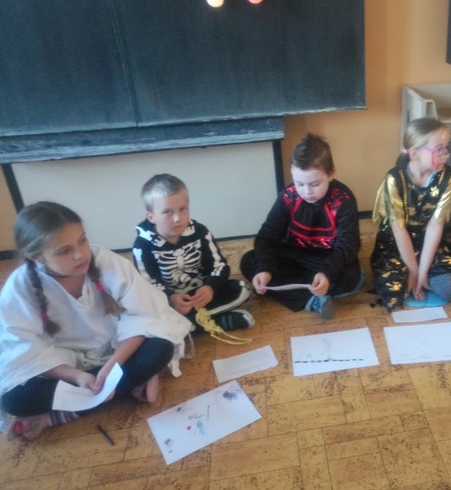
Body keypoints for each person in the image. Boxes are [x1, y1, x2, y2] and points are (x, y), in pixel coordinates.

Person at [0, 202, 190, 441]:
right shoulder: (19, 287)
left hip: (119, 348)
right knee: (14, 400)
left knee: (160, 349)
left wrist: (112, 365)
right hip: (63, 361)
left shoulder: (105, 261)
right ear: (36, 256)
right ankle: (131, 383)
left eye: (82, 240)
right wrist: (77, 376)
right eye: (64, 251)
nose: (80, 254)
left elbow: (142, 316)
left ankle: (58, 416)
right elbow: (25, 351)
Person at [240, 133, 362, 320]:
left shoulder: (343, 200)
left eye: (315, 184)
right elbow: (267, 237)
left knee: (352, 279)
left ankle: (301, 288)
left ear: (331, 174)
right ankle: (312, 299)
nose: (307, 192)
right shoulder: (288, 196)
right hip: (295, 254)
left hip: (327, 258)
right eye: (299, 183)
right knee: (249, 262)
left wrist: (327, 273)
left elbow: (348, 245)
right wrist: (265, 268)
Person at [133, 174, 254, 332]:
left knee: (242, 288)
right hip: (171, 303)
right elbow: (148, 285)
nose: (177, 218)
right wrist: (170, 298)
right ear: (151, 217)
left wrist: (210, 287)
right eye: (167, 212)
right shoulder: (142, 246)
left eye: (183, 209)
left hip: (200, 294)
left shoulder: (200, 232)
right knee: (146, 311)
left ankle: (187, 326)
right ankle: (217, 322)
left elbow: (219, 266)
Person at [371, 117, 451, 311]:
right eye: (438, 149)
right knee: (396, 290)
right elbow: (398, 229)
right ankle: (414, 273)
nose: (446, 155)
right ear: (414, 153)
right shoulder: (394, 180)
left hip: (430, 244)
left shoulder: (449, 177)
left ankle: (427, 274)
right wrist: (413, 270)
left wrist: (422, 271)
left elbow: (435, 225)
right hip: (396, 245)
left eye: (447, 147)